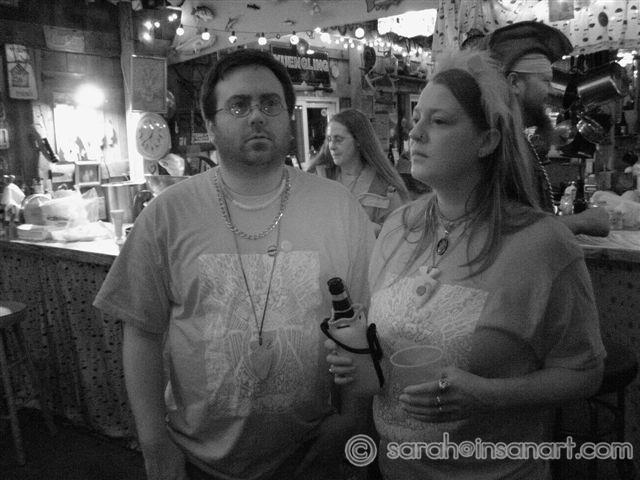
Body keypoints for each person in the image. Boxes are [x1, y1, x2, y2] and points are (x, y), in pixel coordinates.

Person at [94, 49, 376, 480]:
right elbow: (142, 332)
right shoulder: (168, 214)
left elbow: (361, 322)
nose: (257, 116)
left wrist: (351, 419)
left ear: (288, 116)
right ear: (210, 125)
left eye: (270, 104)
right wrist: (154, 443)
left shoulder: (338, 207)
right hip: (198, 458)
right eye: (239, 106)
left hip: (311, 449)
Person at [327, 49, 604, 479]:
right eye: (417, 118)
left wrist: (490, 394)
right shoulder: (398, 227)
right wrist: (363, 357)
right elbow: (392, 350)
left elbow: (583, 371)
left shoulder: (543, 244)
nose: (415, 133)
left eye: (439, 121)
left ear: (486, 141)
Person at [481, 21, 610, 237]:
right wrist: (582, 222)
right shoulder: (497, 142)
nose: (551, 92)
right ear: (514, 83)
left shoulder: (513, 137)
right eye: (545, 81)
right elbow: (505, 229)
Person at [307, 108, 409, 232]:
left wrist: (367, 228)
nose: (332, 146)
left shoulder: (385, 188)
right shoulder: (317, 179)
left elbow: (399, 233)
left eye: (339, 140)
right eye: (329, 139)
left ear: (359, 141)